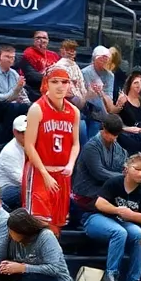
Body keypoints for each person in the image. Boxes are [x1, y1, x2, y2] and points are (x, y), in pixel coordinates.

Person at [23, 68, 81, 233]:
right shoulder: (37, 109)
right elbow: (29, 146)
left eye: (64, 82)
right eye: (55, 82)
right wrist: (45, 174)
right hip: (40, 173)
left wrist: (70, 164)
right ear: (46, 84)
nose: (60, 86)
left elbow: (76, 144)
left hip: (62, 174)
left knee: (56, 227)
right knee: (38, 225)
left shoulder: (74, 111)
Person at [87, 154, 141, 281]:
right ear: (126, 169)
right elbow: (100, 203)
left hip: (124, 222)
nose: (140, 174)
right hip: (97, 218)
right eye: (137, 169)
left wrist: (131, 215)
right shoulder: (114, 182)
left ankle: (133, 280)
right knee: (119, 232)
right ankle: (111, 275)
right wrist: (118, 210)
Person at [0, 115, 28, 208]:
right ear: (14, 132)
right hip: (7, 189)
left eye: (26, 131)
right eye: (21, 132)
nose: (24, 135)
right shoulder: (9, 151)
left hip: (24, 185)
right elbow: (21, 179)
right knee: (28, 191)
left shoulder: (33, 145)